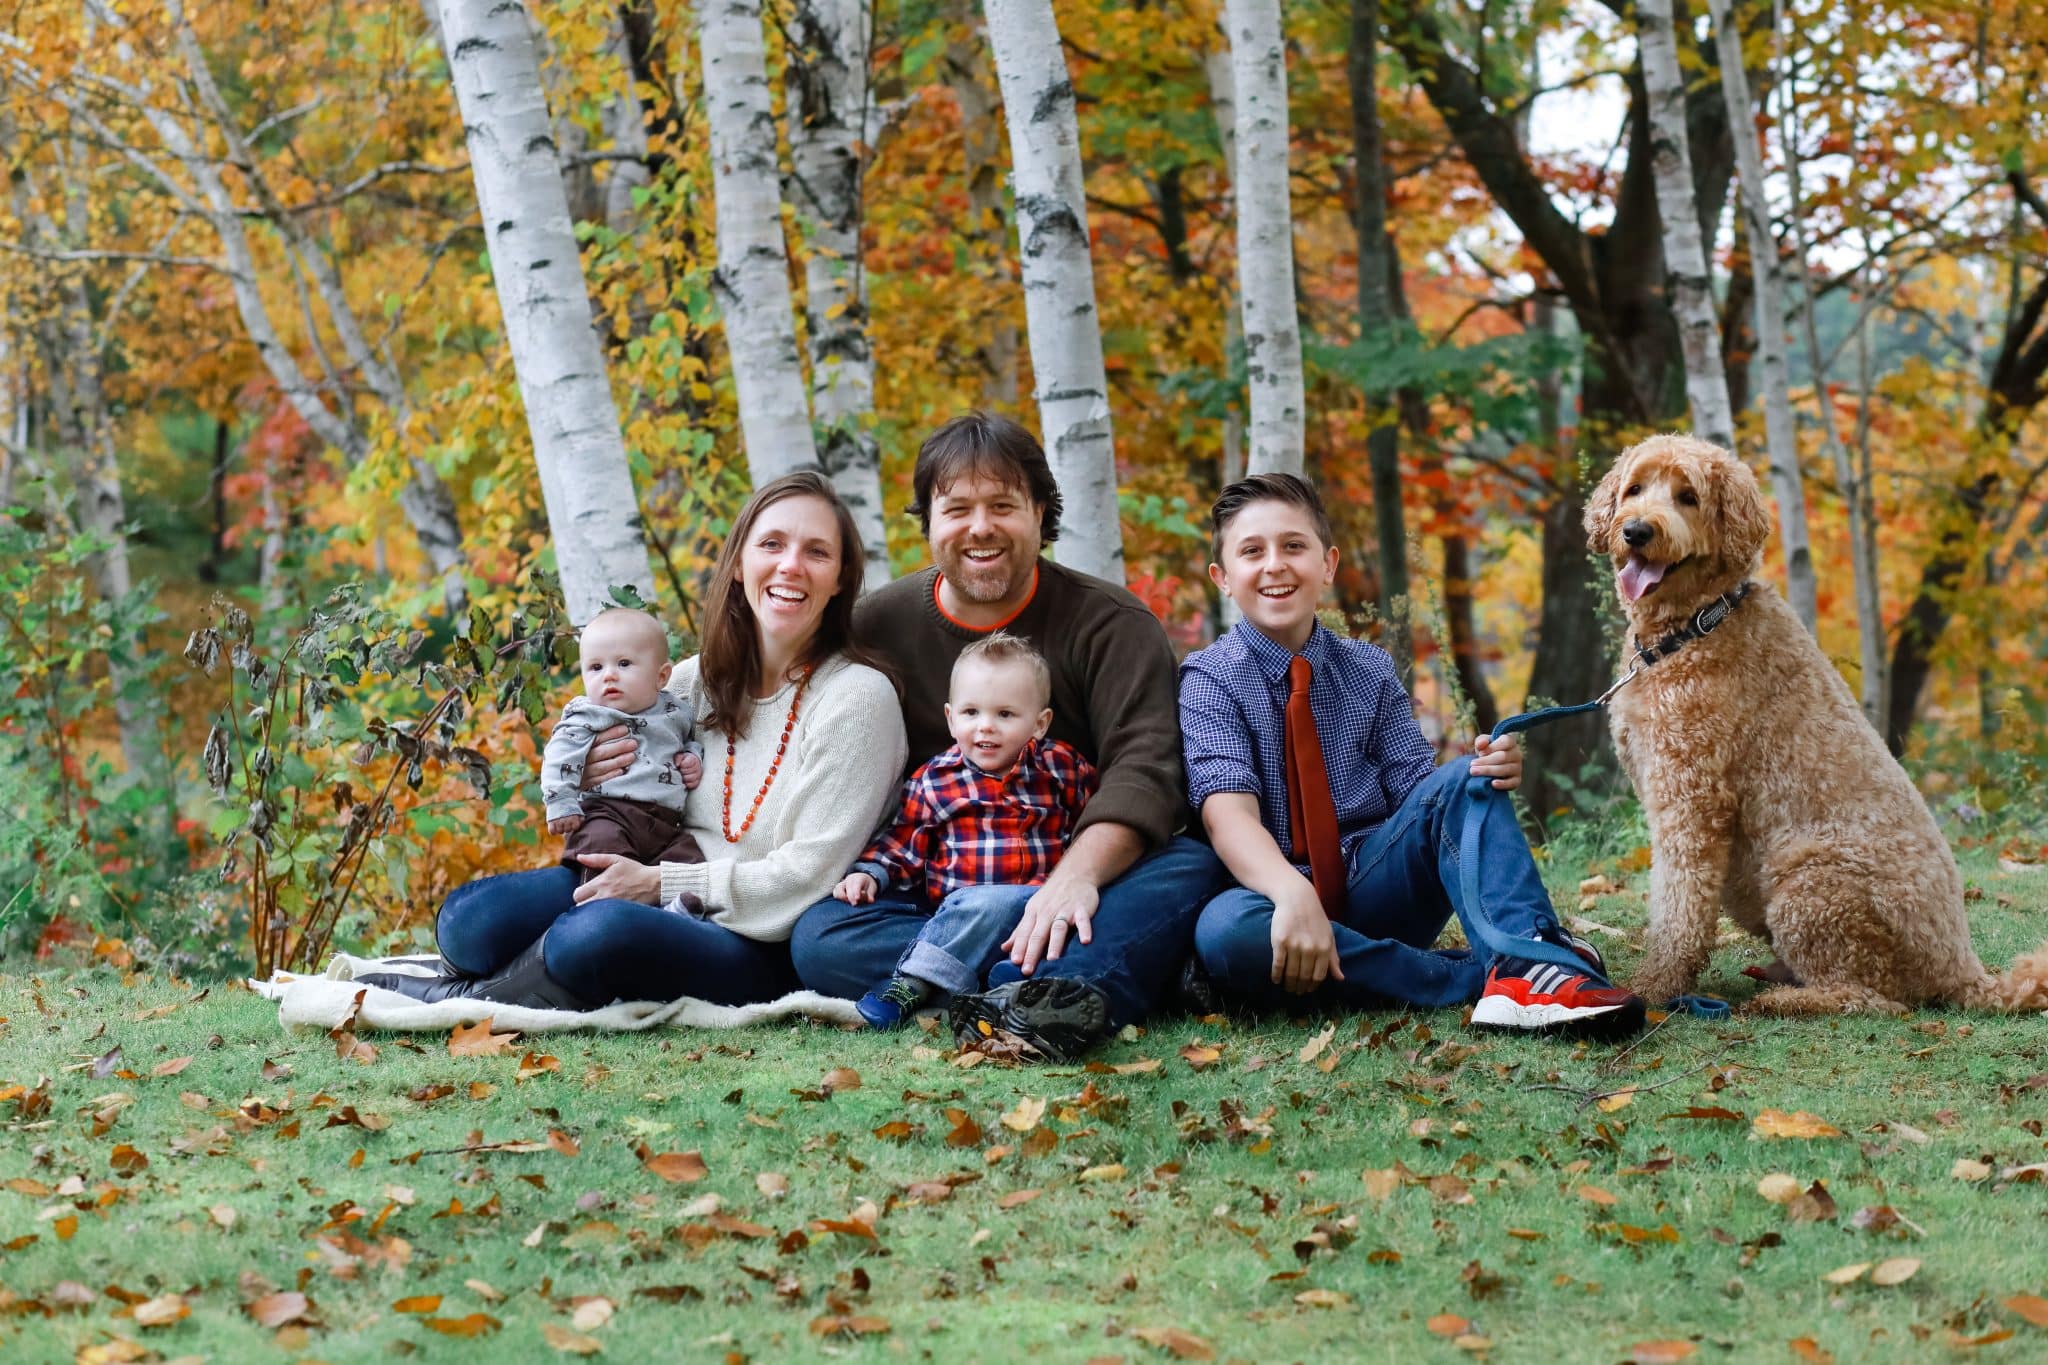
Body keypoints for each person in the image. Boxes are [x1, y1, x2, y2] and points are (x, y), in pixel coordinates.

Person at [357, 471, 906, 1010]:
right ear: (740, 565)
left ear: (840, 579)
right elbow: (595, 759)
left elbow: (809, 874)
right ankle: (506, 979)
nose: (790, 565)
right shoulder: (691, 682)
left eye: (817, 552)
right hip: (645, 872)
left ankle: (466, 1000)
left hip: (756, 936)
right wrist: (594, 773)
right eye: (772, 544)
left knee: (594, 933)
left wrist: (659, 886)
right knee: (469, 921)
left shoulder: (857, 699)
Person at [790, 412, 1224, 1061]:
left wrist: (1074, 879)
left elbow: (1147, 770)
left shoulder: (1112, 624)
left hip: (1088, 883)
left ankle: (978, 987)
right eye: (957, 507)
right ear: (929, 521)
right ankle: (1055, 983)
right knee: (821, 935)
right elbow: (780, 675)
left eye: (1002, 504)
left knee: (1196, 862)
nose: (980, 527)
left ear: (1041, 511)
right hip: (946, 895)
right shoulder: (879, 623)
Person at [1179, 473, 1646, 1039]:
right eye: (1252, 552)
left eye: (1293, 546)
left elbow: (1422, 805)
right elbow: (1226, 816)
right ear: (1223, 578)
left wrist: (1480, 777)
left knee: (1465, 780)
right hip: (1274, 904)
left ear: (1327, 565)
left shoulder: (1368, 669)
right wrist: (1290, 891)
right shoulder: (1209, 678)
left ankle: (1530, 968)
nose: (1275, 565)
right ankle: (1491, 974)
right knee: (1223, 931)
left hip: (1374, 887)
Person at [834, 632, 1098, 1029]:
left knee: (1065, 930)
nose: (985, 727)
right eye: (971, 713)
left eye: (1005, 715)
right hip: (964, 914)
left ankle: (940, 986)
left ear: (1040, 723)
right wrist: (868, 872)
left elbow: (1094, 822)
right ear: (950, 718)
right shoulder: (935, 780)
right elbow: (905, 841)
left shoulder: (1061, 768)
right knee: (980, 905)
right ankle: (933, 983)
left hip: (1042, 910)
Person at [540, 607, 706, 888]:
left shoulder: (676, 711)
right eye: (596, 667)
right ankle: (599, 902)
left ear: (661, 676)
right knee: (601, 846)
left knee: (690, 861)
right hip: (607, 813)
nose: (609, 676)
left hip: (665, 825)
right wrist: (561, 801)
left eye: (624, 664)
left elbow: (691, 740)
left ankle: (683, 911)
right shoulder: (587, 714)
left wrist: (692, 758)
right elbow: (560, 755)